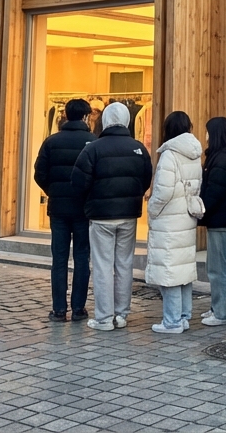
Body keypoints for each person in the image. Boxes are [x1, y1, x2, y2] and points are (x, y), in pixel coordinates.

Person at [70, 101, 154, 331]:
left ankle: (104, 317)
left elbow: (78, 182)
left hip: (100, 216)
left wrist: (89, 202)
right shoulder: (138, 148)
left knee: (103, 265)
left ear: (105, 120)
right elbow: (146, 178)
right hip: (128, 214)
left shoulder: (93, 148)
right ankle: (121, 314)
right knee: (124, 264)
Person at [33, 98, 94, 322]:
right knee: (81, 257)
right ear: (86, 116)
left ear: (66, 115)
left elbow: (39, 173)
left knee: (59, 259)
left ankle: (59, 309)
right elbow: (95, 177)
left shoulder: (51, 141)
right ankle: (78, 308)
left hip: (58, 208)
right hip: (82, 209)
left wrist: (53, 191)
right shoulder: (92, 141)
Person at [146, 112, 204, 334]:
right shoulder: (194, 153)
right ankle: (183, 316)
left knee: (169, 271)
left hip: (169, 219)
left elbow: (163, 191)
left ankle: (171, 321)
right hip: (186, 216)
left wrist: (152, 209)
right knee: (183, 269)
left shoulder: (170, 154)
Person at [199, 116, 226, 327]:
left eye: (208, 131)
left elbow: (215, 191)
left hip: (222, 219)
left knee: (219, 267)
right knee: (215, 266)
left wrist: (201, 209)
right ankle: (217, 307)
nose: (205, 136)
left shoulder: (221, 159)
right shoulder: (224, 156)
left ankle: (223, 313)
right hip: (222, 218)